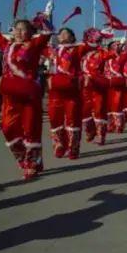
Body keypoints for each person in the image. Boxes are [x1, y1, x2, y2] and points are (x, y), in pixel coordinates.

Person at [0, 11, 53, 180]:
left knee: (31, 129)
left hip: (29, 95)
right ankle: (24, 158)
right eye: (17, 29)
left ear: (30, 32)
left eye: (24, 29)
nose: (20, 32)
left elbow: (47, 33)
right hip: (10, 95)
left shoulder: (34, 44)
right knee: (7, 128)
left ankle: (32, 164)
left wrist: (45, 17)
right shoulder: (7, 45)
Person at [45, 27, 93, 159]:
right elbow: (36, 45)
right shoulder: (51, 50)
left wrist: (95, 35)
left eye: (66, 33)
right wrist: (44, 25)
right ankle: (60, 145)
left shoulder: (77, 49)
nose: (62, 35)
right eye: (60, 33)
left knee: (73, 119)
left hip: (72, 90)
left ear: (73, 37)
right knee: (55, 119)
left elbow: (91, 45)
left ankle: (73, 148)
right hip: (55, 90)